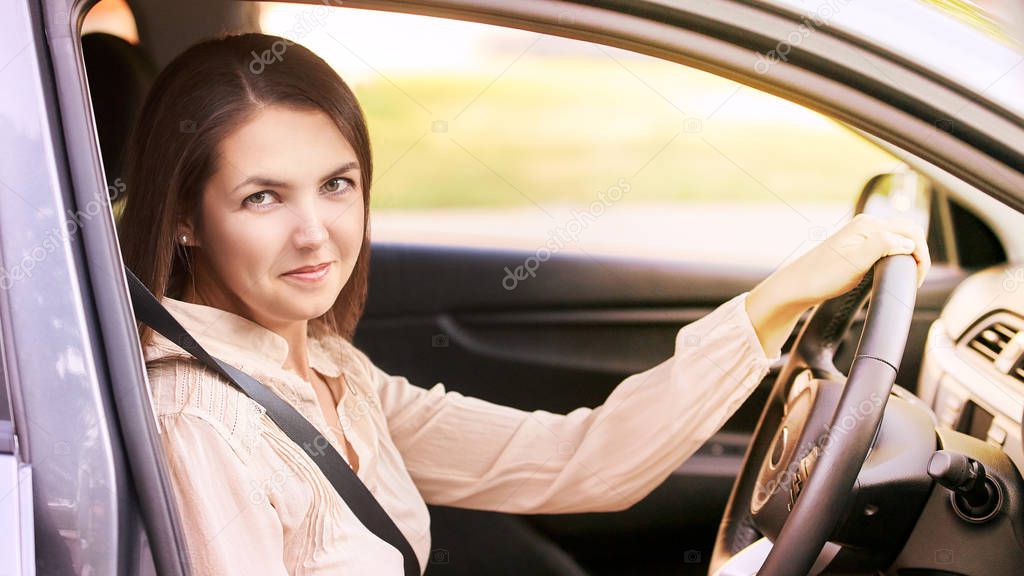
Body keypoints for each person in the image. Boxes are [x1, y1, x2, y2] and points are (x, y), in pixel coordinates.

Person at [117, 33, 930, 575]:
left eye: (337, 185)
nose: (315, 235)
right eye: (262, 198)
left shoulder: (329, 368)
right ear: (187, 217)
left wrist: (778, 300)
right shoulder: (201, 421)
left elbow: (585, 462)